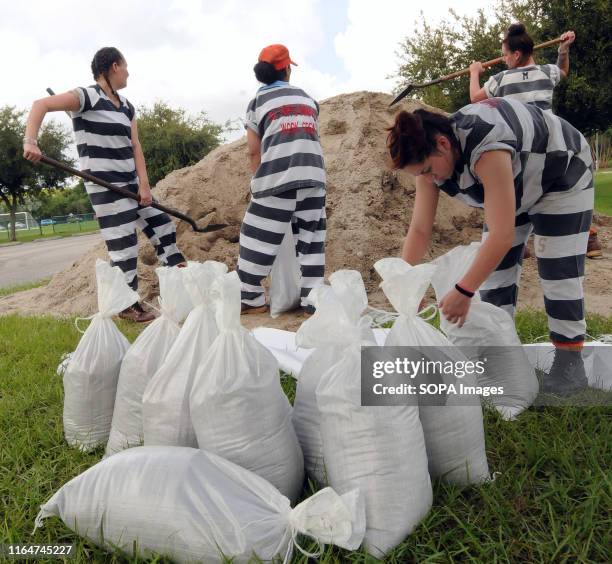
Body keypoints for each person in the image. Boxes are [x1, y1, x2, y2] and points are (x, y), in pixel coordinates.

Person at [387, 98, 593, 395]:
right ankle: (503, 357)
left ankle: (569, 364)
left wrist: (463, 290)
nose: (429, 180)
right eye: (421, 175)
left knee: (558, 271)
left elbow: (501, 235)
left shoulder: (487, 145)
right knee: (495, 280)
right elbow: (419, 229)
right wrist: (407, 285)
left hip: (561, 174)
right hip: (517, 180)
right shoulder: (428, 160)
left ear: (443, 144)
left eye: (429, 171)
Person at [23, 47, 186, 322]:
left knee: (162, 225)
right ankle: (126, 305)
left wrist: (144, 186)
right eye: (125, 67)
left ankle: (183, 280)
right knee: (124, 244)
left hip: (131, 182)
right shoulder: (85, 96)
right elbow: (41, 105)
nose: (128, 72)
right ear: (113, 66)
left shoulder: (126, 106)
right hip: (103, 184)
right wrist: (31, 140)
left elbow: (136, 146)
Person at [469, 23, 602, 259]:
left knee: (510, 192)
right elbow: (562, 71)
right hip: (553, 146)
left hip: (521, 148)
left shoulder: (500, 80)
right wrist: (563, 50)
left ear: (517, 54)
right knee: (560, 192)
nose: (503, 59)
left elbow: (475, 99)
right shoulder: (546, 72)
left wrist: (474, 73)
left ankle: (516, 242)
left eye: (505, 54)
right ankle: (588, 238)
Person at [237, 44, 326, 314]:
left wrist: (259, 184)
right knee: (311, 239)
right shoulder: (308, 99)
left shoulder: (257, 102)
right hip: (314, 175)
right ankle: (312, 300)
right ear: (286, 69)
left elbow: (254, 151)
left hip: (277, 178)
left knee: (256, 238)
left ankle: (251, 299)